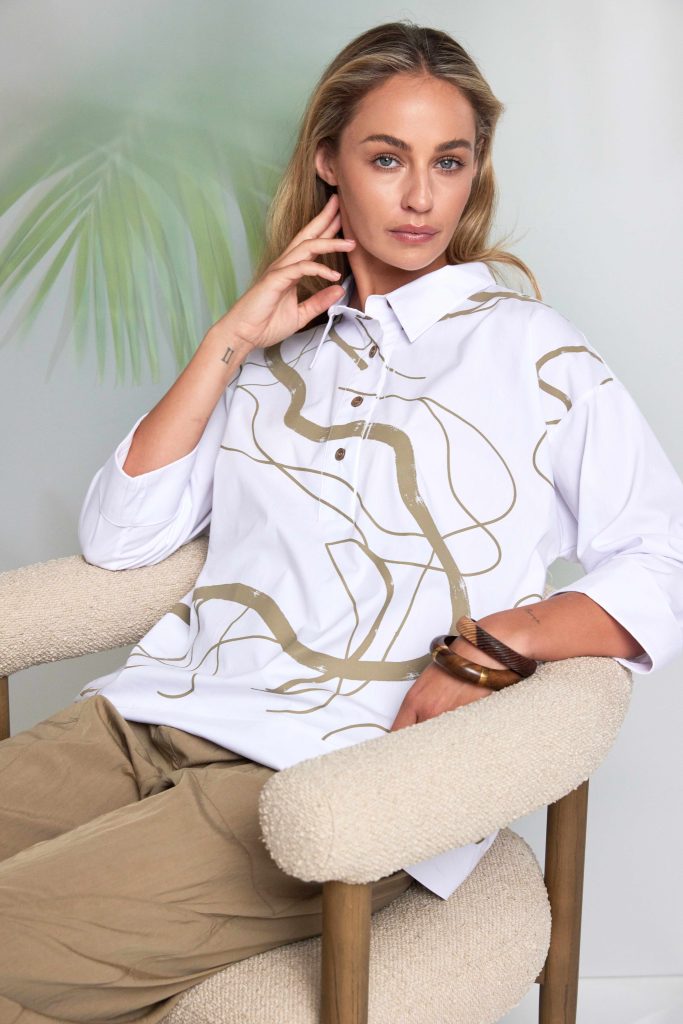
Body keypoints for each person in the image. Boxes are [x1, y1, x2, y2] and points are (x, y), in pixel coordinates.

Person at [2, 18, 683, 1024]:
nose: (420, 198)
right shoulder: (277, 349)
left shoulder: (532, 351)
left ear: (474, 172)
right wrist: (233, 336)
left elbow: (660, 558)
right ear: (329, 162)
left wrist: (495, 644)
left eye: (447, 161)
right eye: (385, 158)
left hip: (315, 777)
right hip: (141, 720)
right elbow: (120, 538)